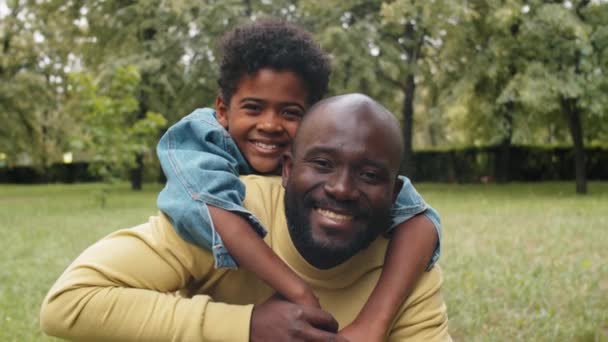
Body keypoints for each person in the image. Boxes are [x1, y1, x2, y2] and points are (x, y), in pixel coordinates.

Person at [40, 94, 451, 341]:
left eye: (370, 175)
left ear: (395, 193)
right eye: (322, 163)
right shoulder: (223, 214)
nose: (342, 189)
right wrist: (246, 327)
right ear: (287, 169)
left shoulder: (406, 262)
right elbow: (69, 303)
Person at [155, 20, 441, 340]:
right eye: (254, 108)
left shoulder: (324, 163)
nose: (270, 125)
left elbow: (418, 219)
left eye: (290, 113)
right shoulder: (200, 141)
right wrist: (299, 292)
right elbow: (216, 212)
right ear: (222, 109)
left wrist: (373, 323)